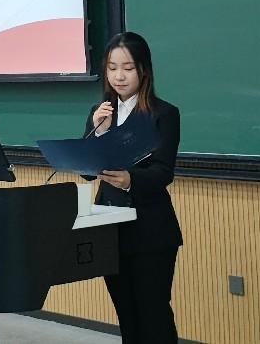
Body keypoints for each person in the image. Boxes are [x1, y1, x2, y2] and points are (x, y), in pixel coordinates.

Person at [84, 31, 181, 344]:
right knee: (126, 314)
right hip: (110, 228)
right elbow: (87, 172)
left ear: (143, 69)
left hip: (150, 229)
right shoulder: (100, 113)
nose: (119, 76)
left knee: (153, 313)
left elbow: (163, 172)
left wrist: (131, 180)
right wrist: (99, 133)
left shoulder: (163, 114)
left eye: (127, 68)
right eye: (112, 68)